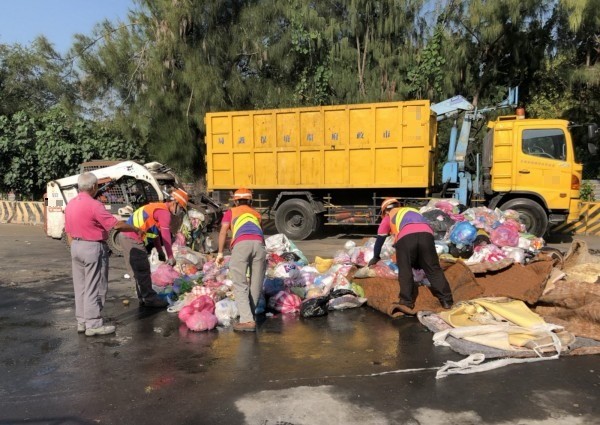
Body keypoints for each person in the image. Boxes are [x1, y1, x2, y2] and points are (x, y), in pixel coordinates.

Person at [65, 172, 144, 336]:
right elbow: (117, 225)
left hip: (76, 246)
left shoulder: (71, 204)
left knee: (80, 287)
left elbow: (68, 230)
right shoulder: (94, 205)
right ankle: (93, 323)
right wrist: (136, 229)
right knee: (95, 286)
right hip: (92, 247)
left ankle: (82, 321)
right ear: (94, 187)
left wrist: (76, 246)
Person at [368, 198, 454, 314]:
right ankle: (447, 301)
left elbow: (380, 239)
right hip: (427, 235)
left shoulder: (389, 216)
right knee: (433, 268)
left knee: (405, 268)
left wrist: (376, 257)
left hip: (406, 237)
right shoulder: (412, 210)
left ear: (385, 211)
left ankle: (406, 301)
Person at [119, 188, 189, 308]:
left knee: (136, 270)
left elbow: (155, 233)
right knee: (143, 269)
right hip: (132, 238)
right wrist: (170, 256)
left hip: (125, 237)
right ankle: (150, 299)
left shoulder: (157, 208)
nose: (180, 211)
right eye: (181, 208)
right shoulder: (164, 213)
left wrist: (161, 251)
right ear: (175, 203)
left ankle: (142, 297)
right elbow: (165, 236)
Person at [215, 188, 266, 332]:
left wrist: (220, 253)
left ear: (235, 201)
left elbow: (224, 231)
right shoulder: (256, 214)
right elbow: (261, 233)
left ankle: (247, 320)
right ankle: (250, 316)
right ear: (250, 201)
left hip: (241, 245)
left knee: (240, 282)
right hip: (260, 245)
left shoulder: (231, 212)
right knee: (256, 284)